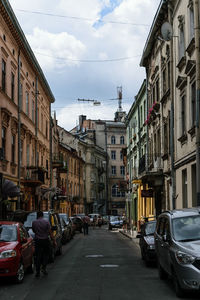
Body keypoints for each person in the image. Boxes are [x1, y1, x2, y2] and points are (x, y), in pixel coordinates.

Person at [32, 211, 56, 277]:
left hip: (37, 241)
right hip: (45, 240)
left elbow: (34, 231)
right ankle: (44, 268)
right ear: (42, 215)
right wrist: (54, 241)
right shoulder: (46, 222)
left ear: (37, 215)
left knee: (38, 256)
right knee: (46, 255)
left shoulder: (34, 222)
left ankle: (37, 271)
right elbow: (50, 232)